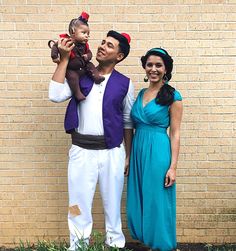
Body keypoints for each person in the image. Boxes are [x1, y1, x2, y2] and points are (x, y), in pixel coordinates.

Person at [48, 30, 134, 250]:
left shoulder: (125, 83)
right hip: (81, 151)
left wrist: (127, 155)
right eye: (103, 42)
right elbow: (55, 95)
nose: (102, 46)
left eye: (110, 45)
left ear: (120, 56)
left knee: (112, 204)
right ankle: (78, 246)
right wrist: (64, 60)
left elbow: (127, 121)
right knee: (78, 204)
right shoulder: (79, 74)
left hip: (112, 152)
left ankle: (115, 244)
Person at [126, 48, 183, 251]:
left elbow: (175, 133)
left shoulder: (173, 96)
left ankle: (163, 245)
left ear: (166, 68)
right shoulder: (141, 93)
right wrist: (128, 156)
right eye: (149, 64)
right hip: (138, 152)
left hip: (158, 151)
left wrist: (173, 167)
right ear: (144, 67)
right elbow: (130, 127)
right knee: (141, 196)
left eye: (158, 65)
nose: (153, 69)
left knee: (157, 199)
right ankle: (150, 242)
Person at [48, 11, 105, 101]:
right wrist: (55, 57)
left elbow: (89, 53)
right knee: (72, 77)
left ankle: (96, 76)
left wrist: (87, 56)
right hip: (72, 69)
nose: (87, 36)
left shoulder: (85, 45)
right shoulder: (66, 41)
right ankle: (77, 93)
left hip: (83, 66)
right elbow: (55, 46)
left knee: (90, 65)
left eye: (88, 34)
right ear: (73, 32)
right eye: (84, 33)